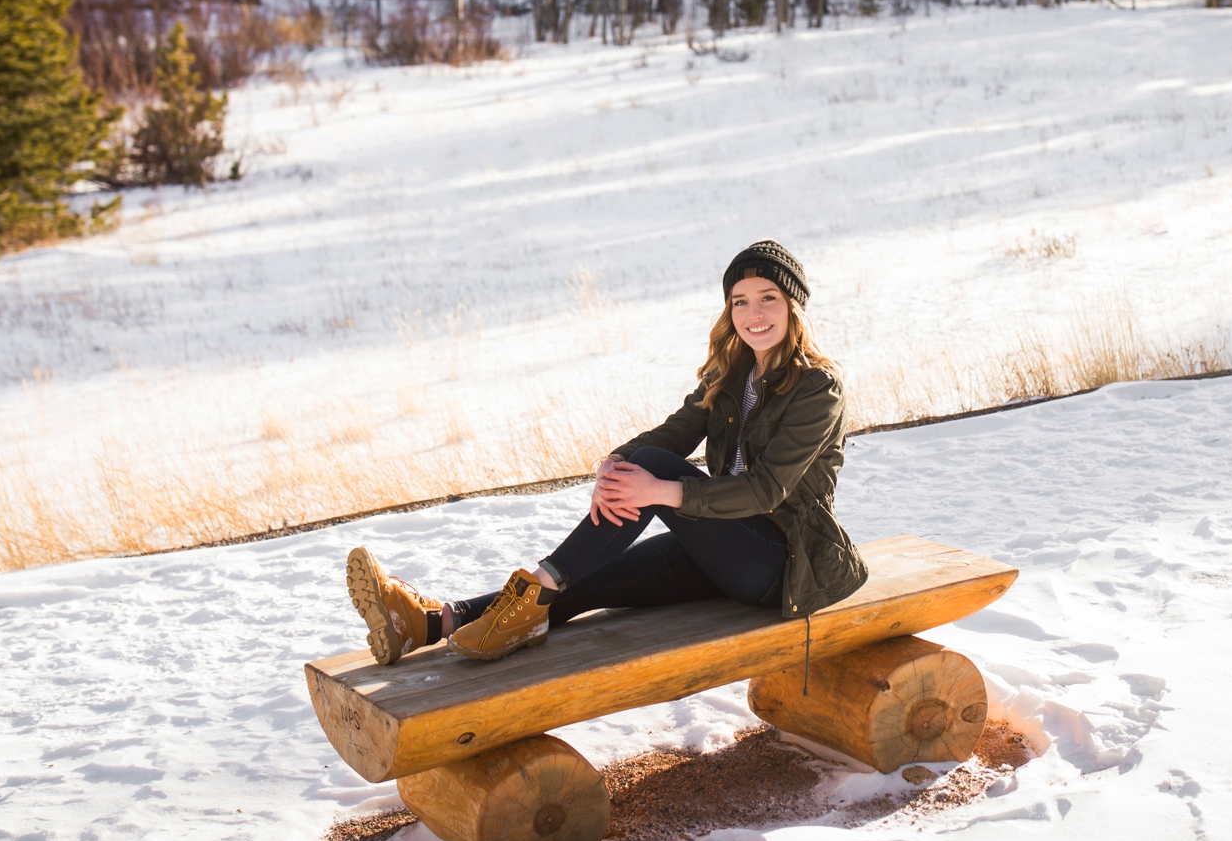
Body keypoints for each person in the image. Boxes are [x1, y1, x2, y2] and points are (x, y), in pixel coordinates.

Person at [345, 239, 869, 665]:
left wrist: (658, 486)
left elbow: (765, 489)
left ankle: (536, 583)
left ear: (793, 306)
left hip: (785, 561)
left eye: (767, 298)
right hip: (720, 549)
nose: (753, 313)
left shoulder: (817, 387)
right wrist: (617, 463)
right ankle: (432, 622)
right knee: (591, 576)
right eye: (740, 301)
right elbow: (677, 430)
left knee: (659, 471)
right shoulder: (729, 373)